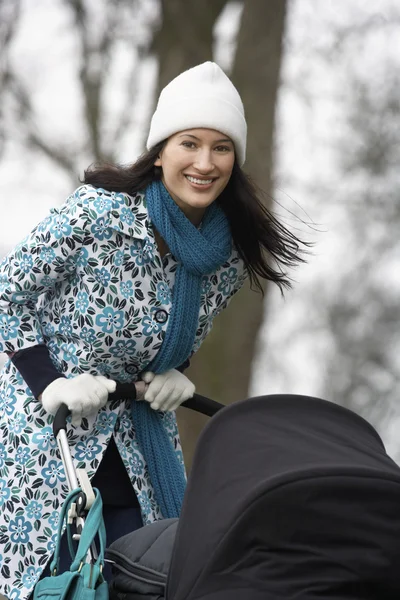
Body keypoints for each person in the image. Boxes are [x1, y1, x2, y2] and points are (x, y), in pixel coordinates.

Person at [0, 61, 306, 598]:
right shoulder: (96, 217)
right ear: (160, 149)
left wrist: (174, 374)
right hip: (43, 445)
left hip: (139, 452)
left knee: (149, 580)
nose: (205, 163)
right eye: (190, 143)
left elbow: (163, 342)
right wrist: (52, 382)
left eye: (222, 147)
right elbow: (7, 296)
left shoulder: (227, 258)